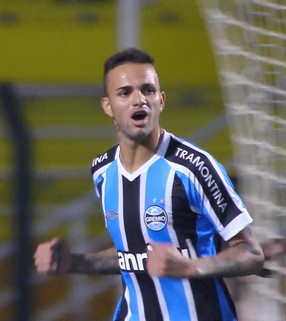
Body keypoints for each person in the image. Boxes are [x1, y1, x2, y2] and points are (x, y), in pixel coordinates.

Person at [34, 47, 264, 321]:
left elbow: (251, 253)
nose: (139, 100)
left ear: (161, 100)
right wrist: (73, 262)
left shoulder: (194, 168)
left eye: (148, 90)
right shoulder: (102, 171)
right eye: (125, 92)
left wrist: (191, 267)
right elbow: (130, 254)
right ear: (107, 105)